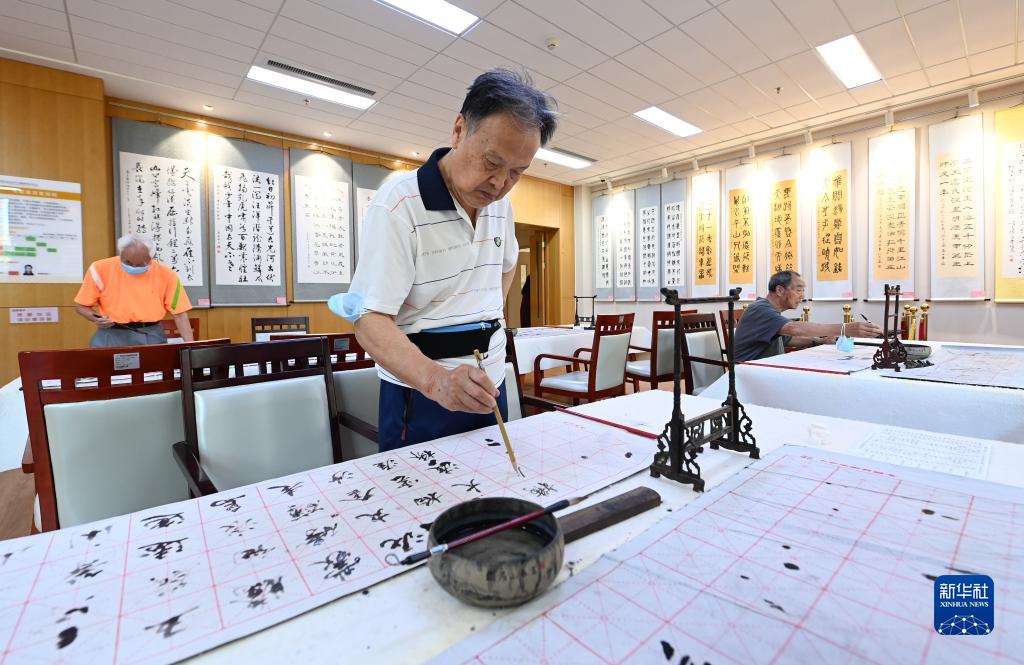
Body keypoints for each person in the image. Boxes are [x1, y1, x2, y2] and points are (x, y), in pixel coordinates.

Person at [330, 69, 557, 451]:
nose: (500, 183)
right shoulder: (399, 205)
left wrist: (490, 315)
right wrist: (437, 381)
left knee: (494, 482)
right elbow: (369, 321)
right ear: (458, 130)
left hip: (490, 385)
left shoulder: (502, 207)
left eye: (517, 172)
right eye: (491, 162)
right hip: (420, 394)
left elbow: (507, 265)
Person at [74, 233, 194, 347]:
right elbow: (81, 306)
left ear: (151, 258)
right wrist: (97, 318)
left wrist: (191, 346)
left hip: (150, 334)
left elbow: (180, 315)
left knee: (154, 362)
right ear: (120, 253)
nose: (134, 267)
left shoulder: (167, 275)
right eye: (128, 262)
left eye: (141, 264)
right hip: (111, 333)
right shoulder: (99, 269)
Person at [732, 271, 881, 362]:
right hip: (748, 373)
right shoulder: (760, 309)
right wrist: (845, 328)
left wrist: (819, 341)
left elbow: (788, 339)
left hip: (764, 370)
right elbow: (793, 329)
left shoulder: (768, 310)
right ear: (780, 290)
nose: (802, 296)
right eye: (798, 290)